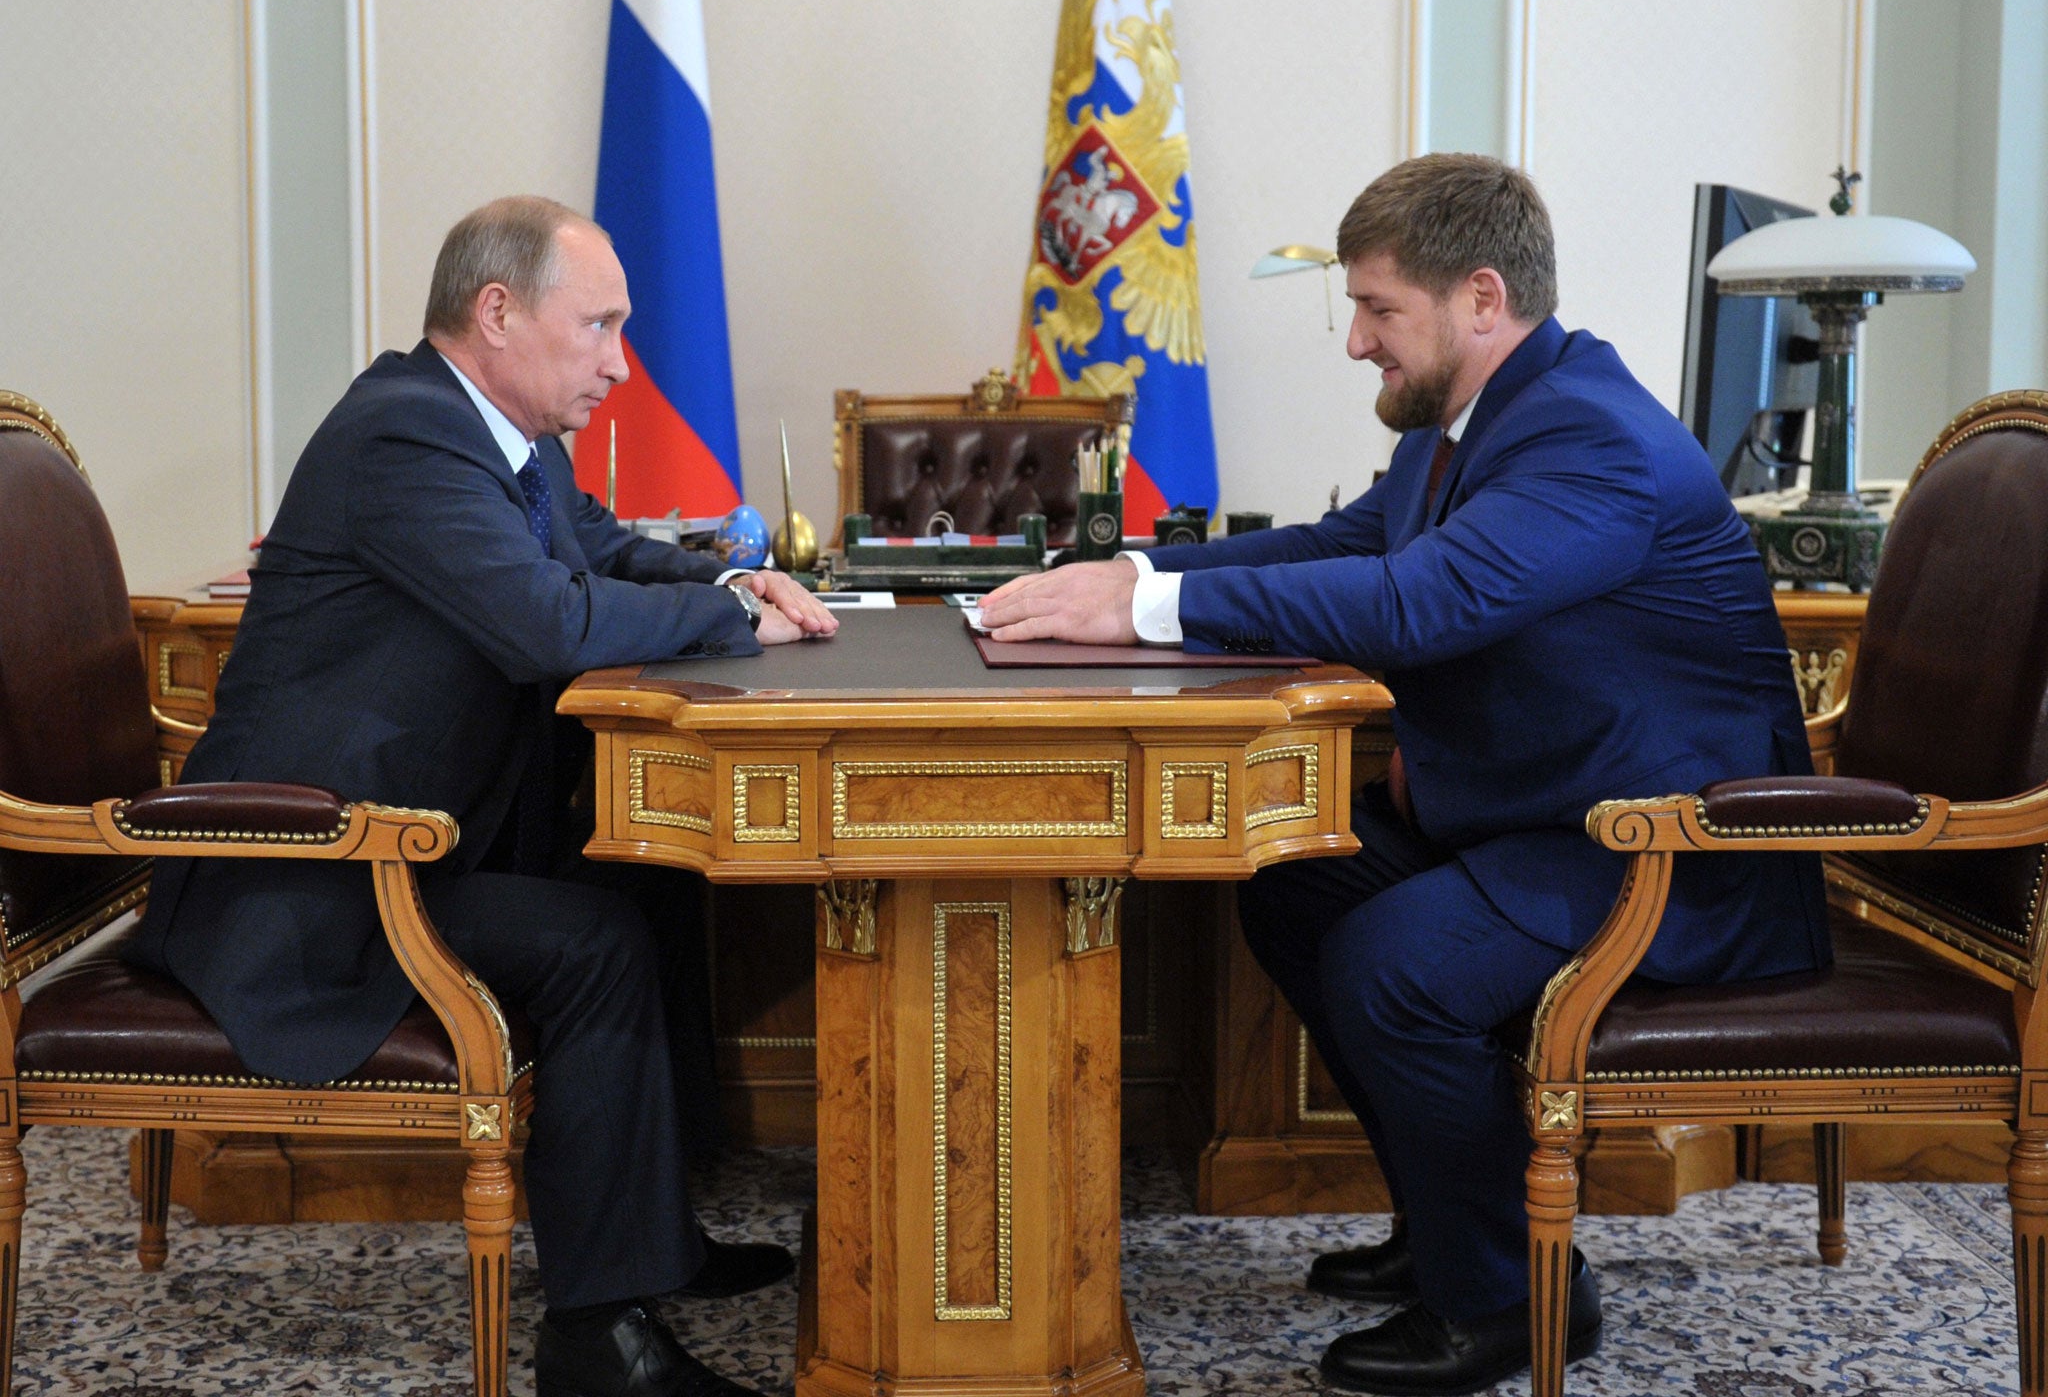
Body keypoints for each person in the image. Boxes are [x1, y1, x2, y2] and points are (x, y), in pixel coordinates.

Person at [980, 154, 1829, 1395]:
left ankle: (1507, 1302)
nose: (1355, 344)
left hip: (1663, 853)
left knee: (1394, 967)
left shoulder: (1590, 438)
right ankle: (1452, 1226)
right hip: (1549, 816)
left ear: (1479, 299)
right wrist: (1120, 582)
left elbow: (1423, 599)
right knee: (1293, 885)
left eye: (1377, 310)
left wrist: (1148, 606)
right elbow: (1344, 544)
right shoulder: (1476, 421)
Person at [126, 196, 838, 1397]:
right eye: (599, 325)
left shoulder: (504, 438)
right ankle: (598, 1345)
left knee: (643, 879)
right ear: (497, 312)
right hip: (304, 880)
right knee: (596, 940)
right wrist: (731, 621)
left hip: (410, 841)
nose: (620, 363)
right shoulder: (404, 435)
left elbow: (601, 552)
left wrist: (736, 574)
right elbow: (545, 622)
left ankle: (649, 1246)